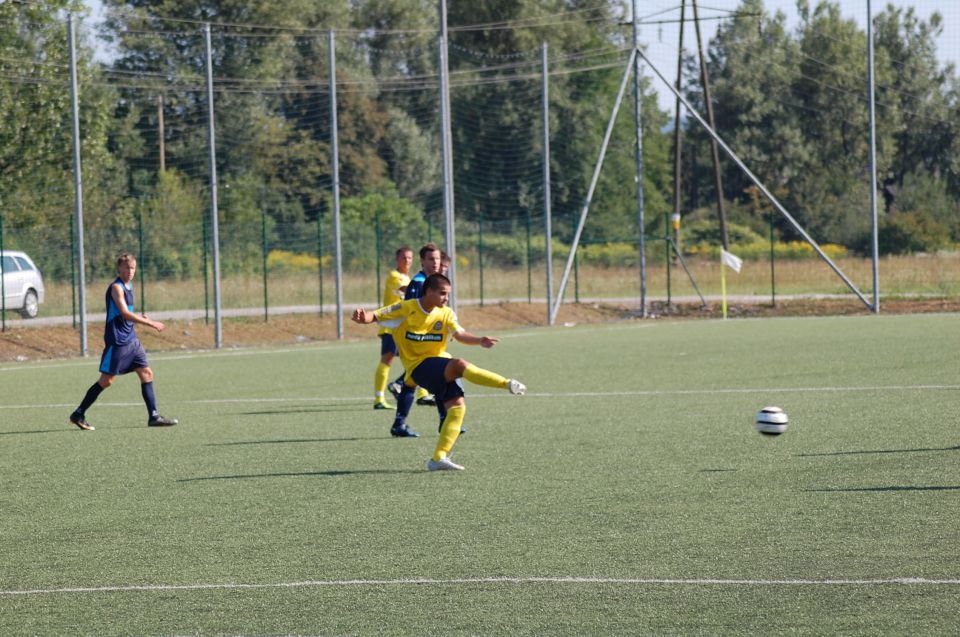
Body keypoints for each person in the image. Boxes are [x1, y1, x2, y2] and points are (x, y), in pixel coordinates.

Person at [352, 273, 525, 470]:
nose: (446, 298)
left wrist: (479, 340)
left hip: (438, 365)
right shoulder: (406, 308)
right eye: (442, 293)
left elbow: (459, 334)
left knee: (457, 408)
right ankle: (506, 383)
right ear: (428, 291)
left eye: (448, 294)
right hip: (418, 367)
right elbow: (374, 316)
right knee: (459, 365)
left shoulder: (446, 313)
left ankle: (438, 459)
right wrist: (361, 318)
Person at [69, 254, 178, 431]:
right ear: (119, 270)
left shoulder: (129, 285)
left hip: (132, 340)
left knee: (146, 373)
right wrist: (150, 323)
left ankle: (154, 416)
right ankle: (78, 413)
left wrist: (139, 318)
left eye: (133, 268)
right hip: (117, 341)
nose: (130, 271)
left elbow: (128, 314)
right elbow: (124, 313)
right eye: (126, 268)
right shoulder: (116, 288)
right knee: (106, 381)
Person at [385, 243, 442, 436]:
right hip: (416, 341)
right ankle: (447, 421)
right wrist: (417, 336)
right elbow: (409, 311)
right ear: (423, 261)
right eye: (431, 259)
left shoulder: (434, 282)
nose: (435, 263)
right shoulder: (418, 282)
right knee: (443, 375)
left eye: (438, 259)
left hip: (429, 340)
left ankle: (399, 424)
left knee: (414, 381)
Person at [372, 246, 413, 410]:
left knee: (415, 358)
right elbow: (405, 291)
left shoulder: (408, 277)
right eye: (403, 257)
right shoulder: (394, 276)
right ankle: (378, 399)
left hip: (403, 327)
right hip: (391, 326)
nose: (407, 261)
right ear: (397, 259)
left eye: (409, 258)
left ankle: (403, 386)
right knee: (387, 360)